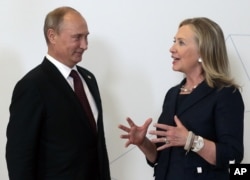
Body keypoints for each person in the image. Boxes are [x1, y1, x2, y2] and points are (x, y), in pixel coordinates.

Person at [118, 17, 244, 180]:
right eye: (174, 41)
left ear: (203, 51)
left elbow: (232, 156)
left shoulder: (225, 94)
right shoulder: (172, 94)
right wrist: (143, 143)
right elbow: (158, 157)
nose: (172, 48)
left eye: (181, 42)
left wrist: (191, 141)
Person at [6, 6, 111, 180]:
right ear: (52, 36)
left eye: (86, 37)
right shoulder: (32, 86)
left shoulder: (88, 79)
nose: (85, 45)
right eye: (77, 37)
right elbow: (19, 156)